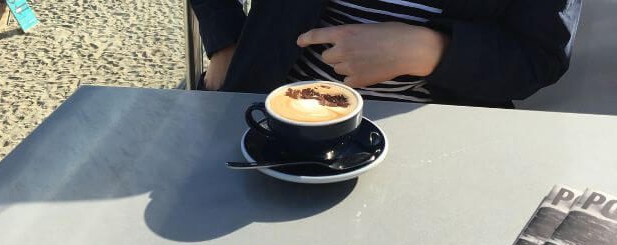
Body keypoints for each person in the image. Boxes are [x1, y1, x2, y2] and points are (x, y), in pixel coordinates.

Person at [189, 0, 582, 108]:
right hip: (268, 103)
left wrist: (429, 50)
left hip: (442, 134)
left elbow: (538, 58)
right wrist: (225, 44)